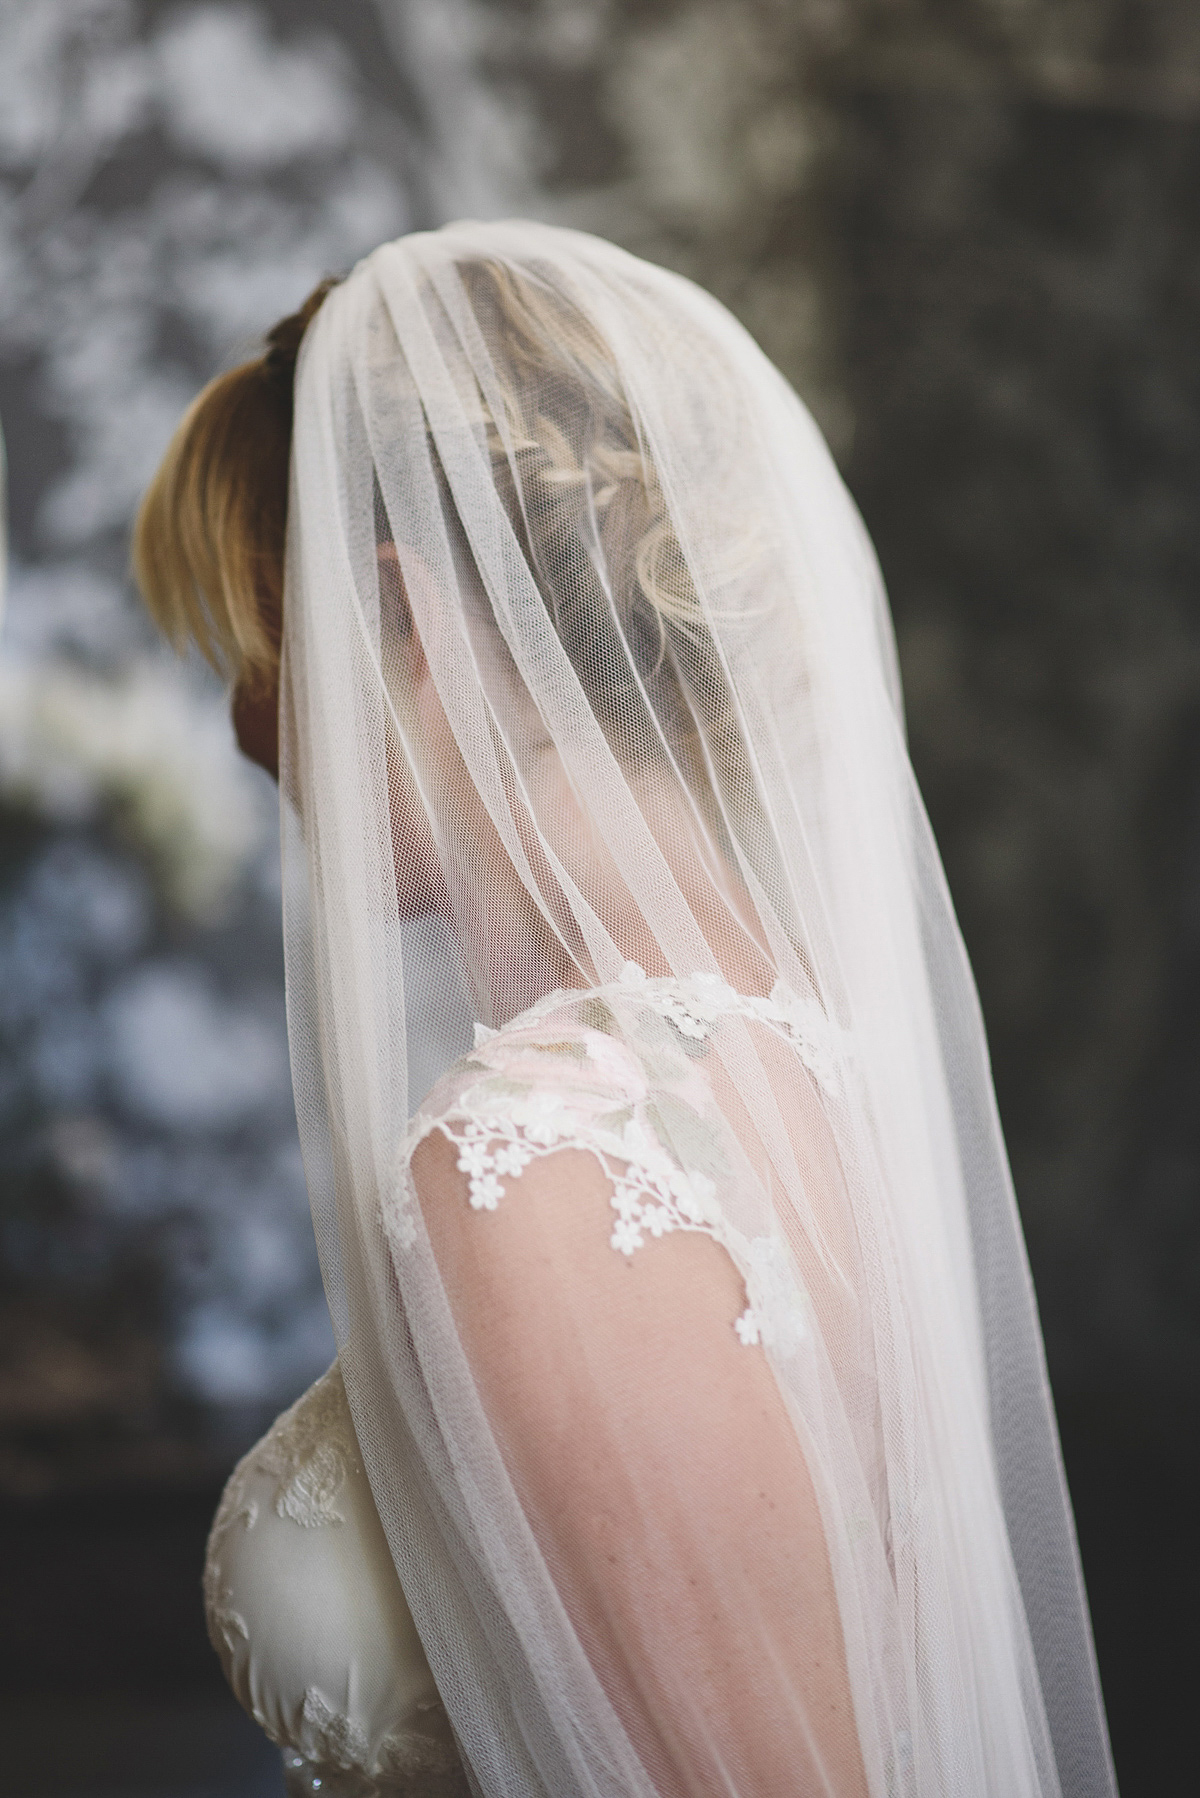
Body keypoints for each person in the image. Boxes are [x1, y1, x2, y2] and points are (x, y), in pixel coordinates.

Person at [133, 222, 1116, 1798]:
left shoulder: (546, 1160)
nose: (250, 723)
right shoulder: (790, 1050)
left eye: (261, 634)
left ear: (407, 619)